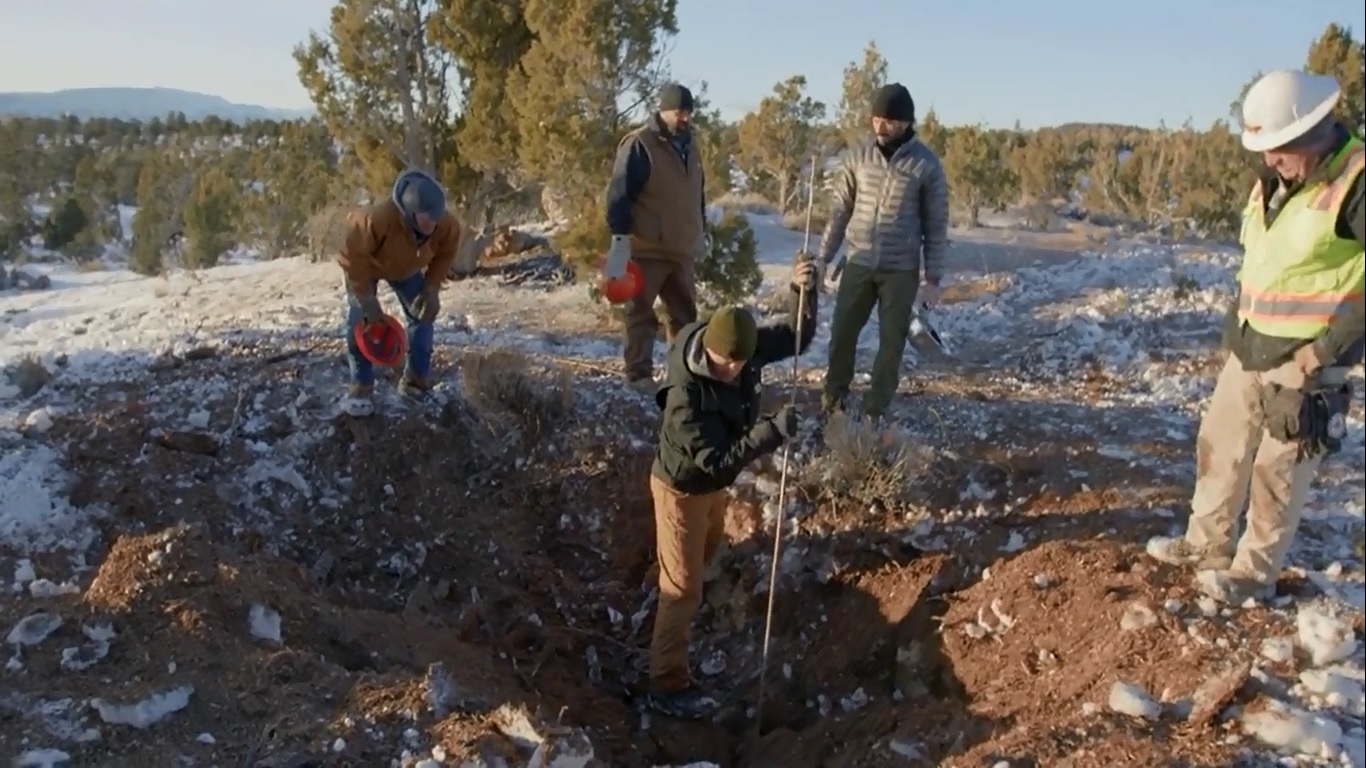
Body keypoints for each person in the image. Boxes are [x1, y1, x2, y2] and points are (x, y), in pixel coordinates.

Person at [1147, 69, 1364, 605]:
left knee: (1278, 470)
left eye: (1279, 147)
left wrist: (1327, 350)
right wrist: (1234, 325)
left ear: (1315, 131)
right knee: (1219, 444)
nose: (1269, 158)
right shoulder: (1274, 180)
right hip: (1251, 344)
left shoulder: (1356, 180)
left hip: (1308, 355)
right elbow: (1263, 258)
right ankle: (1207, 544)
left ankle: (1252, 574)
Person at [644, 256, 821, 719]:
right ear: (710, 349)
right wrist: (770, 432)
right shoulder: (685, 399)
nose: (734, 371)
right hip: (682, 487)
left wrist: (804, 292)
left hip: (710, 487)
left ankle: (658, 599)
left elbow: (798, 338)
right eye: (726, 364)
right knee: (682, 590)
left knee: (703, 555)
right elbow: (720, 464)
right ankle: (666, 685)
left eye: (741, 364)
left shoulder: (740, 346)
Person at [817, 82, 950, 421]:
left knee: (891, 346)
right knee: (842, 335)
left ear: (905, 122)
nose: (880, 126)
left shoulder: (926, 166)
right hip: (858, 263)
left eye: (888, 120)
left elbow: (936, 226)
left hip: (900, 270)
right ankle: (834, 404)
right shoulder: (857, 159)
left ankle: (874, 412)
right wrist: (822, 259)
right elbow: (839, 212)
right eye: (875, 118)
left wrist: (932, 278)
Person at [604, 83, 708, 393]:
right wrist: (620, 241)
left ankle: (681, 376)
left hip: (681, 249)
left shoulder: (692, 147)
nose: (686, 118)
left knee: (685, 316)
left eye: (689, 112)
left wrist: (701, 232)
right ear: (663, 110)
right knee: (640, 314)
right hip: (646, 248)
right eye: (680, 112)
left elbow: (696, 196)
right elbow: (619, 195)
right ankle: (639, 376)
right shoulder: (640, 145)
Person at [336, 168, 460, 399]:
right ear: (409, 212)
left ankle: (415, 380)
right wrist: (366, 300)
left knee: (423, 315)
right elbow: (351, 257)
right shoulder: (375, 219)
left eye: (436, 217)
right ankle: (361, 384)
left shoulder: (447, 224)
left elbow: (445, 255)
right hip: (367, 269)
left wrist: (432, 288)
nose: (431, 225)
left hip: (406, 269)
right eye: (426, 219)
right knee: (359, 321)